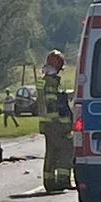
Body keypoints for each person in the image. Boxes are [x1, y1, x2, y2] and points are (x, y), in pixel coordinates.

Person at [38, 50, 73, 192]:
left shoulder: (44, 81)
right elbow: (53, 104)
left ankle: (49, 181)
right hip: (56, 123)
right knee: (66, 148)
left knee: (51, 152)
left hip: (48, 124)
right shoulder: (51, 82)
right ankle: (63, 179)